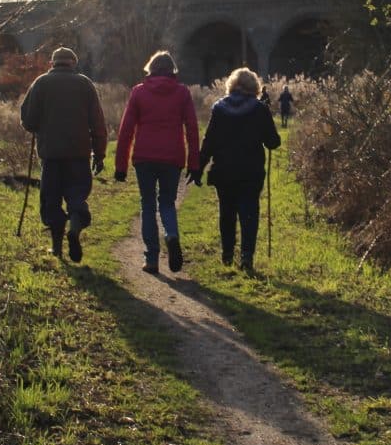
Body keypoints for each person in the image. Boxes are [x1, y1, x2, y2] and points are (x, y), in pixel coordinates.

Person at [114, 50, 200, 274]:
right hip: (173, 156)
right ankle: (171, 235)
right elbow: (192, 128)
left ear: (150, 69)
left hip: (144, 157)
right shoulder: (182, 93)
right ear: (172, 70)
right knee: (167, 203)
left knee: (148, 205)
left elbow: (126, 131)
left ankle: (151, 258)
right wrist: (194, 163)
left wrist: (120, 166)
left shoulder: (138, 92)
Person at [19, 46, 107, 262]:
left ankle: (57, 247)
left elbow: (28, 120)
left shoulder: (40, 83)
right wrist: (100, 153)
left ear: (52, 63)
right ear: (73, 63)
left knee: (51, 200)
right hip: (79, 154)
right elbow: (98, 124)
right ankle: (75, 229)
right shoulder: (85, 84)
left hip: (51, 155)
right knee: (77, 195)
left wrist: (38, 126)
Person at [195, 67, 280, 273]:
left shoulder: (219, 108)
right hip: (251, 171)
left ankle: (226, 255)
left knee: (227, 212)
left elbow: (209, 141)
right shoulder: (259, 109)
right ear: (254, 87)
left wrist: (198, 167)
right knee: (249, 213)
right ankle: (246, 257)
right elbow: (273, 142)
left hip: (224, 170)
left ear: (231, 86)